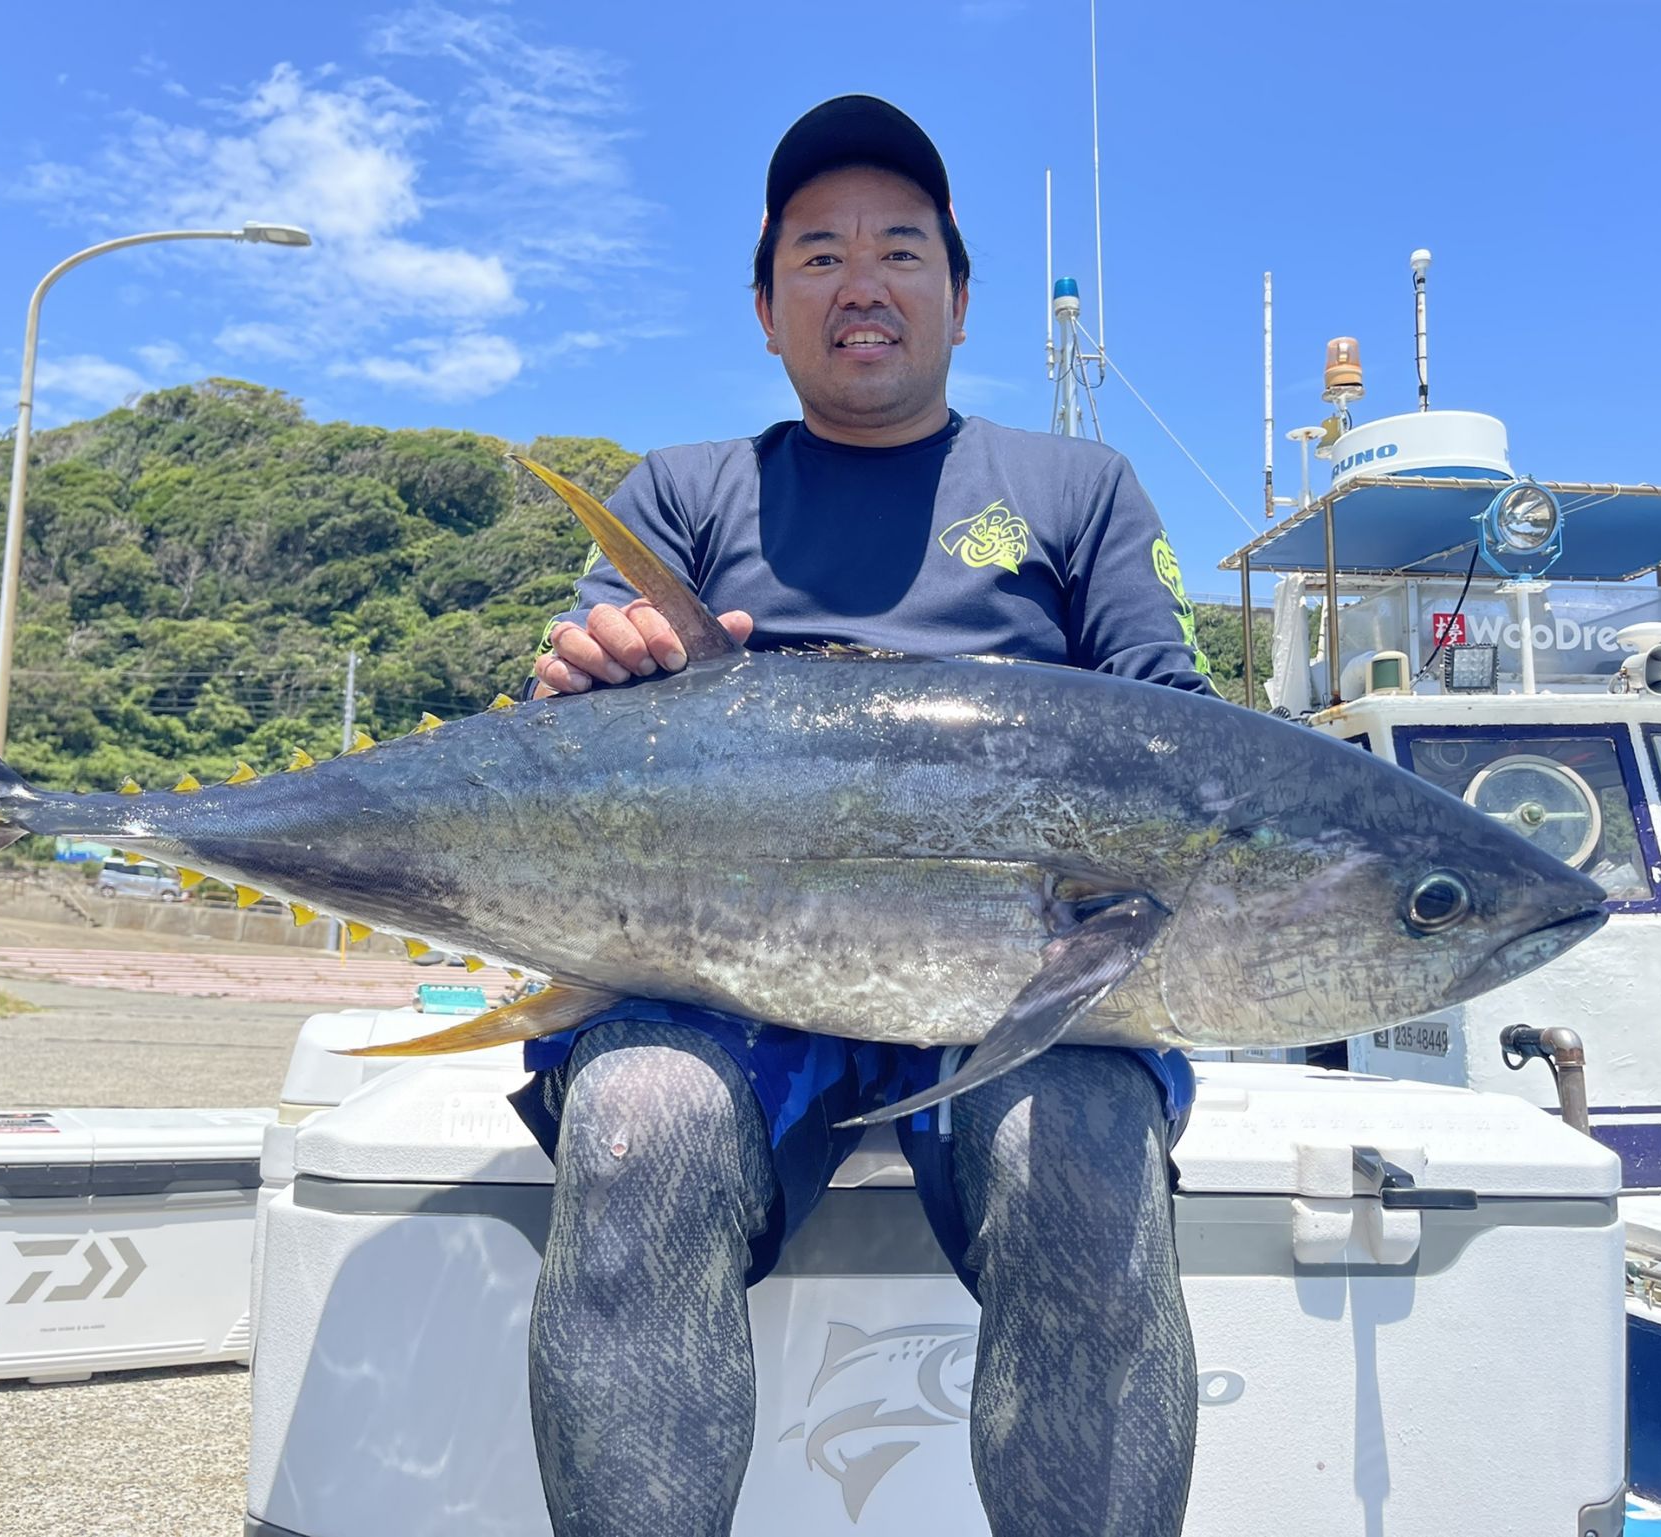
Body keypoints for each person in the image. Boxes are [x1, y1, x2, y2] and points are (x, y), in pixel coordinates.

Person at [517, 95, 1207, 1537]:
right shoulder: (693, 492)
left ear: (959, 295)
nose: (862, 280)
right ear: (767, 310)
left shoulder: (1071, 491)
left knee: (1081, 1149)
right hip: (726, 966)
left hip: (1018, 967)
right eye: (816, 254)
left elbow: (1177, 726)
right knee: (639, 1120)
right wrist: (596, 674)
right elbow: (575, 719)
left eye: (900, 246)